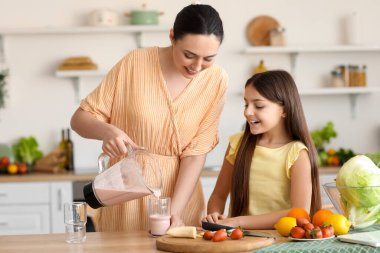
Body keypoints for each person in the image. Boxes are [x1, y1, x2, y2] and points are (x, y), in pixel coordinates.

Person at [70, 3, 227, 232]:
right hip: (127, 193)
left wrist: (174, 211)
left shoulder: (216, 80)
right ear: (172, 36)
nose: (197, 67)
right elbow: (79, 120)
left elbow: (195, 155)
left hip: (181, 198)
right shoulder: (135, 63)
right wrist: (108, 131)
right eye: (189, 55)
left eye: (208, 58)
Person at [203, 70, 321, 229]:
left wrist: (239, 222)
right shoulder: (237, 144)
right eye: (246, 104)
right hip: (240, 240)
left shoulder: (297, 154)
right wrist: (214, 215)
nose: (247, 112)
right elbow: (218, 195)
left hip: (279, 243)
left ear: (284, 109)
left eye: (258, 105)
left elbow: (299, 213)